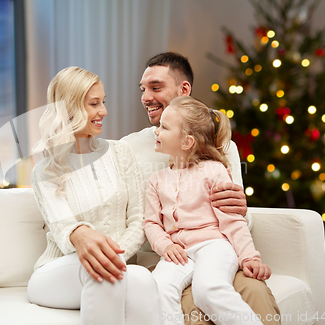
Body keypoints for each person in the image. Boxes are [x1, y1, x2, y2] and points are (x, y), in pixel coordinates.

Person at [120, 52, 280, 325]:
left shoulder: (220, 148)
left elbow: (235, 217)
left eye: (156, 87)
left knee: (251, 291)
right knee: (186, 303)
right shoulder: (128, 149)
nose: (146, 97)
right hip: (171, 254)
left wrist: (243, 216)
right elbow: (145, 221)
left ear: (184, 90)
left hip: (215, 246)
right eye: (143, 89)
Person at [27, 66, 160, 325]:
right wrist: (84, 238)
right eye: (94, 103)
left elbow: (139, 219)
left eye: (103, 102)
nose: (104, 111)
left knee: (141, 278)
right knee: (102, 274)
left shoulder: (121, 152)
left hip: (116, 266)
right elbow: (65, 230)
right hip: (57, 272)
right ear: (70, 109)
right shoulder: (45, 169)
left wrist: (114, 256)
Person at [144, 96, 271, 325]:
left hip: (213, 246)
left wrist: (249, 257)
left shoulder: (214, 171)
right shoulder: (156, 180)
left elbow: (232, 220)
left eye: (164, 127)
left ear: (186, 142)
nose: (157, 131)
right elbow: (151, 223)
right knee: (158, 287)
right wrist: (166, 246)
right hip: (178, 252)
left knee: (208, 289)